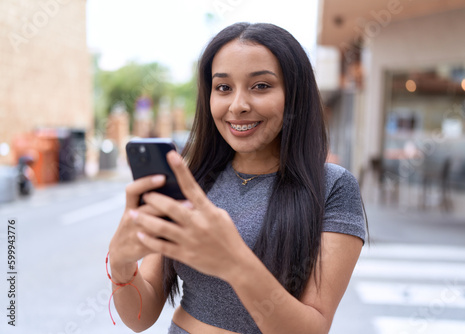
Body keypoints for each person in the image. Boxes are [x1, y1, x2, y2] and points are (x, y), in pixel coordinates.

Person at [108, 22, 366, 334]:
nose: (238, 105)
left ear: (295, 94)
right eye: (223, 88)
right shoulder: (193, 181)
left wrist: (233, 261)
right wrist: (122, 264)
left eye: (261, 86)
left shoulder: (331, 187)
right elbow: (140, 317)